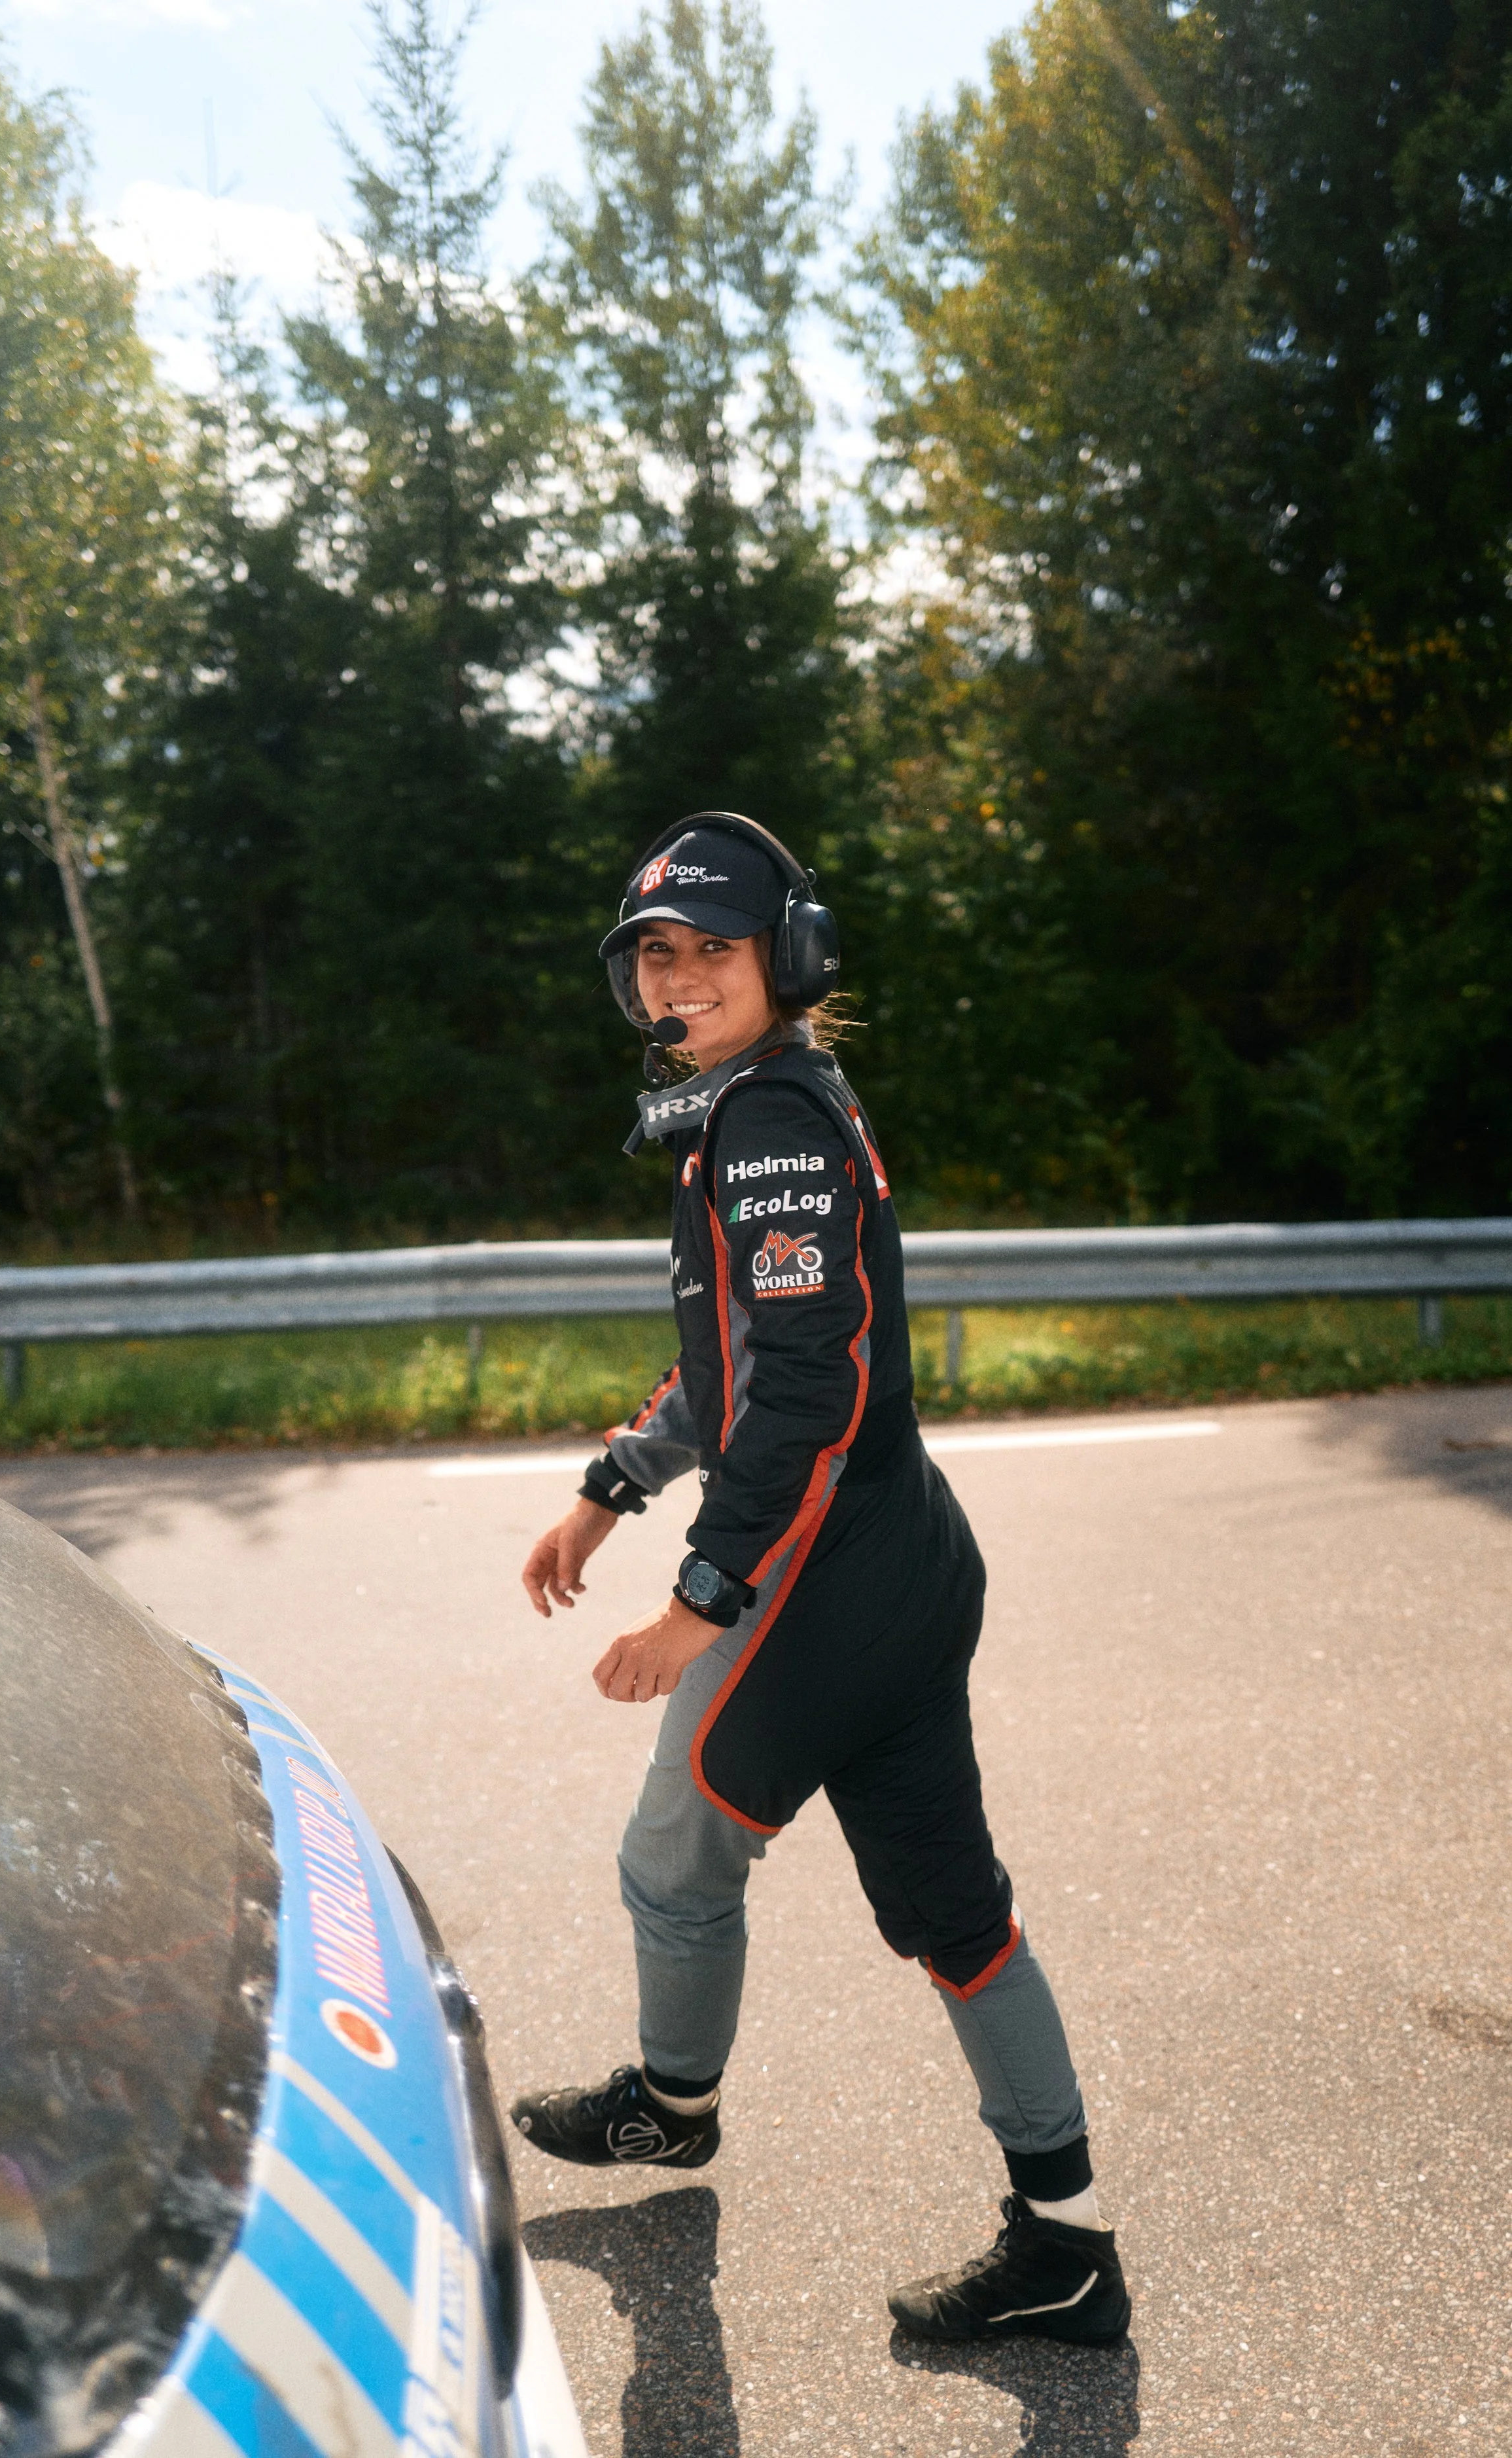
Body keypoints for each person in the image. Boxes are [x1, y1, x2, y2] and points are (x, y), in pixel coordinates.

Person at [512, 813, 1131, 2347]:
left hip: (827, 1575)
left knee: (671, 1861)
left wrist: (694, 1602)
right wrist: (610, 1487)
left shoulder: (772, 1123)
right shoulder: (750, 1112)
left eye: (711, 951)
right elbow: (728, 1368)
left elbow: (801, 1396)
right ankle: (1065, 2242)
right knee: (950, 1914)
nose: (677, 980)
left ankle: (671, 2106)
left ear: (785, 960)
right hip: (904, 1559)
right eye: (655, 955)